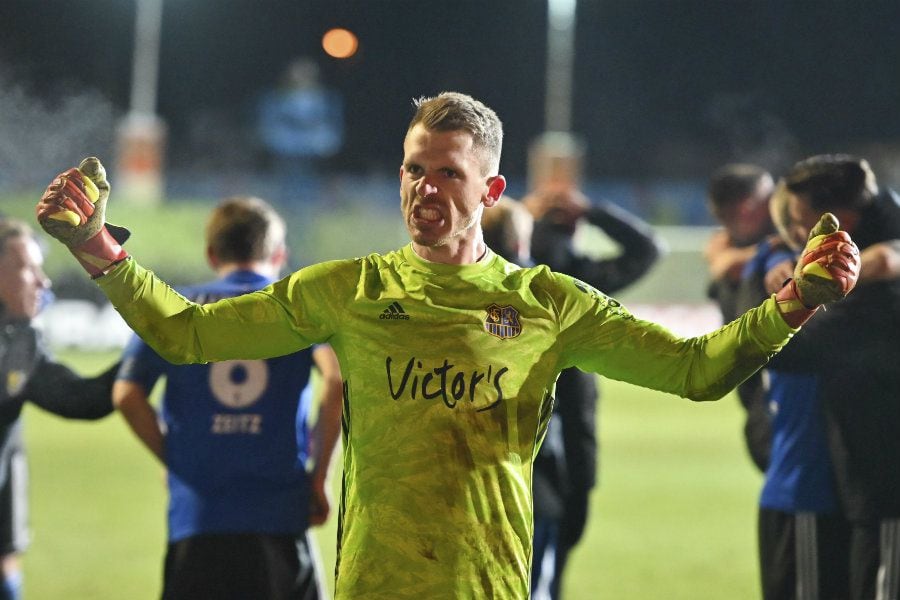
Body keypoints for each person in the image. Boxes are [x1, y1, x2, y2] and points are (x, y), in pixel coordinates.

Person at [35, 92, 861, 599]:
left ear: (491, 189)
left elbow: (695, 370)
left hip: (489, 587)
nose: (423, 189)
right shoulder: (348, 290)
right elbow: (186, 335)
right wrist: (99, 248)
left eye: (447, 174)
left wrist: (790, 304)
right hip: (370, 588)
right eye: (411, 170)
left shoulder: (547, 303)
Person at [111, 197, 343, 600]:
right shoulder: (296, 306)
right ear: (279, 254)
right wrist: (319, 475)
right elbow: (337, 380)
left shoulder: (175, 307)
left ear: (211, 254)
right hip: (279, 515)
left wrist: (175, 459)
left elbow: (126, 395)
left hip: (199, 519)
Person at [484, 186, 665, 599]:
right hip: (556, 456)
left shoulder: (463, 295)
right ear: (521, 238)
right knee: (543, 575)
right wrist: (593, 211)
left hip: (489, 462)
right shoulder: (565, 283)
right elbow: (648, 250)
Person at [761, 155, 900, 600]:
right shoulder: (870, 236)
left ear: (843, 216)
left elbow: (796, 353)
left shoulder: (878, 284)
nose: (801, 234)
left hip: (886, 482)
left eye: (805, 222)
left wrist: (790, 300)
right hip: (860, 480)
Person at [0, 217, 117, 599]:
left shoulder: (20, 343)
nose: (43, 281)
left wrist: (149, 352)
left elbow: (83, 400)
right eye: (27, 269)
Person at [704, 163, 776, 473]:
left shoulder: (766, 247)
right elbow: (724, 264)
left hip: (778, 382)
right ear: (749, 207)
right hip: (762, 385)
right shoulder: (765, 249)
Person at [257, 57, 344, 204]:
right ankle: (285, 204)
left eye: (307, 72)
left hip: (313, 151)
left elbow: (332, 127)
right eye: (299, 72)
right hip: (286, 149)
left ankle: (312, 206)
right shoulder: (277, 98)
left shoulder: (326, 99)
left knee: (311, 183)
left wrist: (322, 140)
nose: (303, 76)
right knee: (286, 181)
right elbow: (269, 126)